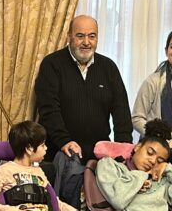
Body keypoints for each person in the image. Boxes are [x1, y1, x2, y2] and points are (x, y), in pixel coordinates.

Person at [34, 14, 132, 163]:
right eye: (80, 36)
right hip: (59, 154)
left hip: (99, 158)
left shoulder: (109, 67)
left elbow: (122, 113)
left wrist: (122, 150)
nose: (86, 42)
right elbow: (48, 109)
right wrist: (64, 141)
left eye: (92, 36)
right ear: (69, 37)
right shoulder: (52, 64)